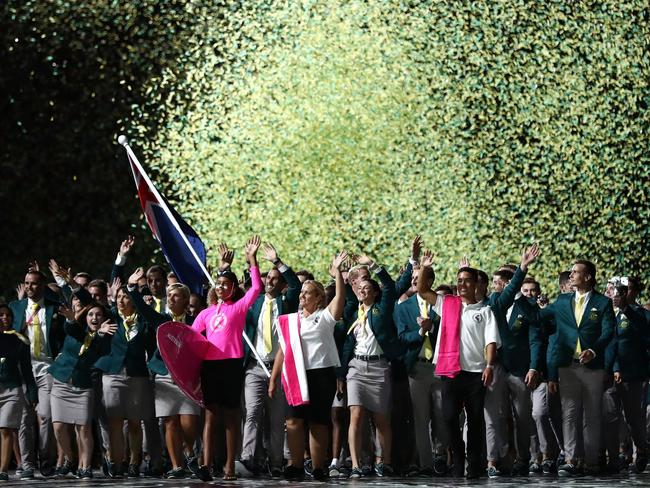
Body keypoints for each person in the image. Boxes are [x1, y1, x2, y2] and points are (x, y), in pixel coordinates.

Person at [417, 254, 500, 479]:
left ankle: (474, 465)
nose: (462, 284)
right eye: (459, 280)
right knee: (448, 416)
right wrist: (424, 266)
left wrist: (489, 365)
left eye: (467, 280)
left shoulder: (485, 311)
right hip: (451, 371)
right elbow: (423, 289)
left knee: (474, 421)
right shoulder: (448, 304)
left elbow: (491, 341)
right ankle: (458, 457)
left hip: (475, 374)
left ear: (476, 284)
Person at [269, 251, 348, 481]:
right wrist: (273, 379)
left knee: (318, 422)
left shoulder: (324, 317)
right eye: (301, 292)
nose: (302, 295)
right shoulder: (291, 321)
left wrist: (338, 276)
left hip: (321, 376)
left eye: (307, 292)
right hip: (295, 375)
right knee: (293, 420)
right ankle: (294, 465)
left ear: (318, 298)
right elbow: (284, 350)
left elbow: (340, 299)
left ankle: (318, 467)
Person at [191, 236, 263, 481]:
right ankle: (205, 465)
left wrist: (251, 259)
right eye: (218, 284)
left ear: (233, 288)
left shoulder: (239, 308)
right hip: (210, 367)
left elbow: (256, 289)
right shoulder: (206, 313)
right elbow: (191, 338)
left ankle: (230, 466)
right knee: (210, 417)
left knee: (232, 417)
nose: (221, 287)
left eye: (226, 284)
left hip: (232, 364)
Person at [126, 270, 202, 479]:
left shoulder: (197, 322)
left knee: (189, 423)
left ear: (186, 300)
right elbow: (141, 307)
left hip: (188, 379)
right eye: (169, 296)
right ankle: (177, 466)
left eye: (175, 295)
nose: (170, 298)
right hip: (165, 377)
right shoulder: (161, 320)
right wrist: (132, 288)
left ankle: (189, 451)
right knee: (169, 422)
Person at [544, 260, 616, 476]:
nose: (572, 275)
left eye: (576, 272)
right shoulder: (562, 301)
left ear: (588, 277)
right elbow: (551, 333)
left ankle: (592, 461)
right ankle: (572, 459)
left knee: (592, 415)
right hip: (567, 366)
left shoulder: (602, 303)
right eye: (571, 272)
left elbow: (608, 332)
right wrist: (552, 373)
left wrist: (593, 350)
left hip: (592, 367)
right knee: (569, 414)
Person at [339, 254, 402, 478]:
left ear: (374, 292)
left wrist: (373, 264)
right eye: (360, 288)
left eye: (367, 288)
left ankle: (384, 461)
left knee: (381, 419)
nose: (362, 291)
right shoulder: (353, 311)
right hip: (356, 368)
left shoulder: (381, 309)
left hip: (379, 368)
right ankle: (356, 464)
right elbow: (348, 345)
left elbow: (390, 286)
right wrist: (341, 373)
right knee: (355, 415)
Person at [240, 243, 300, 476]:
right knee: (252, 413)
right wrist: (251, 260)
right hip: (255, 367)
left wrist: (277, 261)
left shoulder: (287, 303)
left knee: (277, 419)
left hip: (280, 367)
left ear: (282, 285)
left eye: (275, 279)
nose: (270, 281)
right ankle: (248, 458)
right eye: (268, 278)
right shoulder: (253, 302)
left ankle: (276, 463)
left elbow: (295, 283)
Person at [483, 244, 541, 477]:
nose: (493, 286)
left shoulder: (528, 307)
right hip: (495, 366)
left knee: (522, 416)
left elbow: (536, 339)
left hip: (519, 368)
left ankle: (523, 457)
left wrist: (534, 366)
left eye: (497, 282)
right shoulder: (494, 303)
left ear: (508, 284)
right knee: (494, 415)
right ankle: (494, 460)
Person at [50, 303, 116, 479]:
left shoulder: (105, 338)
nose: (94, 318)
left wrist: (101, 333)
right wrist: (71, 319)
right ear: (85, 317)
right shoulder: (77, 330)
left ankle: (85, 466)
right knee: (58, 427)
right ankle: (71, 459)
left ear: (104, 318)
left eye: (99, 315)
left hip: (83, 386)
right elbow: (71, 329)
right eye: (91, 315)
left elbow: (99, 348)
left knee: (84, 429)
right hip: (61, 381)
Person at [94, 282, 153, 478]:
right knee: (115, 423)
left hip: (137, 375)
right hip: (112, 375)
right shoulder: (111, 317)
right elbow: (90, 303)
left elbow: (152, 347)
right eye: (118, 296)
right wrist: (120, 260)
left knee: (135, 422)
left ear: (133, 300)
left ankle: (135, 463)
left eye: (125, 296)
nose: (121, 300)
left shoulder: (143, 320)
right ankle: (116, 463)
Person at [395, 266, 449, 476]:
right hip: (416, 368)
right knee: (420, 418)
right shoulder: (403, 307)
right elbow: (402, 337)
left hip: (440, 367)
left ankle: (440, 455)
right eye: (414, 278)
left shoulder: (441, 304)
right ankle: (426, 464)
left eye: (421, 278)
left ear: (430, 281)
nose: (416, 281)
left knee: (442, 415)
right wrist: (420, 331)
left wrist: (432, 327)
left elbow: (450, 331)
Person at [9, 269, 64, 478]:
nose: (29, 287)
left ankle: (46, 460)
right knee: (24, 419)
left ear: (42, 286)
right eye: (27, 283)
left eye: (33, 283)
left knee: (47, 416)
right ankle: (28, 464)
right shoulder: (15, 308)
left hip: (47, 368)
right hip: (23, 368)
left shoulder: (54, 308)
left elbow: (61, 335)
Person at [602, 282, 648, 473]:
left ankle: (642, 450)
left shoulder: (639, 314)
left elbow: (642, 336)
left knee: (633, 417)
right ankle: (617, 455)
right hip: (609, 374)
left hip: (632, 375)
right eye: (610, 290)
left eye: (619, 291)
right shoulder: (602, 313)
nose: (614, 294)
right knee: (611, 415)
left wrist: (624, 308)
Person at [0, 304, 38, 481]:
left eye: (8, 315)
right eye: (1, 315)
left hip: (12, 390)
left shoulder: (19, 340)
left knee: (6, 429)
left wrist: (32, 392)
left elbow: (27, 369)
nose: (4, 318)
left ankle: (3, 470)